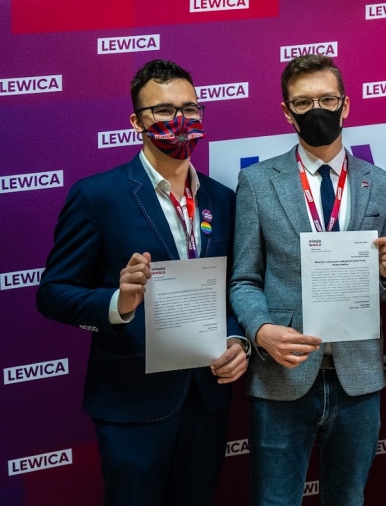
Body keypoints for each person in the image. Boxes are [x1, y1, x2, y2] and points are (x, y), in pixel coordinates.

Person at [36, 59, 249, 506]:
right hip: (131, 402)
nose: (180, 121)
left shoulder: (223, 198)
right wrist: (118, 303)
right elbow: (52, 294)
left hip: (206, 399)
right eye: (164, 110)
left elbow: (232, 287)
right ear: (137, 122)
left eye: (190, 109)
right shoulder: (97, 196)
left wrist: (236, 338)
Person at [229, 54, 386, 506]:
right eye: (303, 103)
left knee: (348, 500)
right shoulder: (256, 183)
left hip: (358, 379)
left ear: (346, 105)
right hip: (282, 375)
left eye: (327, 99)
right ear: (287, 112)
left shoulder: (383, 185)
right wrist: (260, 330)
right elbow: (244, 279)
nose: (317, 110)